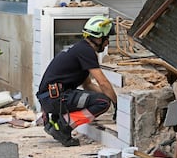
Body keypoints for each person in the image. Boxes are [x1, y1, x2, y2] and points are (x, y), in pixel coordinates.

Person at [36, 15, 118, 147]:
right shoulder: (86, 51)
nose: (108, 42)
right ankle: (63, 127)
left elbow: (88, 85)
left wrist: (109, 95)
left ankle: (58, 122)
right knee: (103, 102)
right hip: (55, 99)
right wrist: (115, 102)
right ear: (98, 38)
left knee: (101, 98)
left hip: (50, 98)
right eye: (106, 38)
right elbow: (103, 82)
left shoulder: (80, 49)